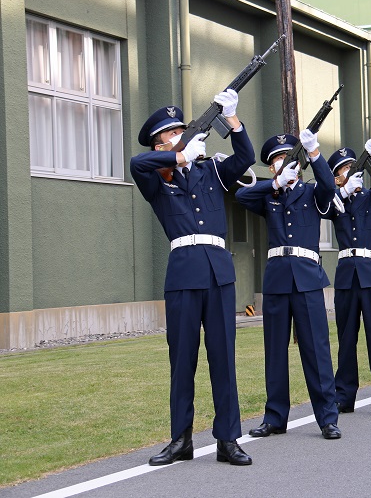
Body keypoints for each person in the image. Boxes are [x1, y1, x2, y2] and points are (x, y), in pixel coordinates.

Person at [130, 90, 254, 466]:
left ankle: (228, 440)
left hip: (218, 274)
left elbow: (246, 158)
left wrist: (233, 121)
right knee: (182, 360)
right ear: (159, 145)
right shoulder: (157, 178)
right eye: (170, 135)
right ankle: (181, 439)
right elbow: (137, 163)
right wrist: (179, 156)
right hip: (183, 276)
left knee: (223, 359)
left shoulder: (211, 169)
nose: (178, 135)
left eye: (181, 131)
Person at [235, 129, 341, 440]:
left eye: (287, 158)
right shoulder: (268, 194)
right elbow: (241, 195)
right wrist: (276, 185)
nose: (283, 163)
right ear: (271, 168)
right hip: (278, 279)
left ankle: (327, 418)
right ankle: (275, 417)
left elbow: (330, 186)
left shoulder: (312, 193)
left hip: (307, 278)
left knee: (316, 350)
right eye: (278, 160)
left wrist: (315, 153)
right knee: (275, 351)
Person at [320, 141, 371, 418]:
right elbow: (326, 208)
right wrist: (341, 190)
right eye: (341, 170)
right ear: (336, 177)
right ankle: (345, 395)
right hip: (346, 276)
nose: (347, 173)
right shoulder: (335, 200)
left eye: (350, 168)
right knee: (346, 338)